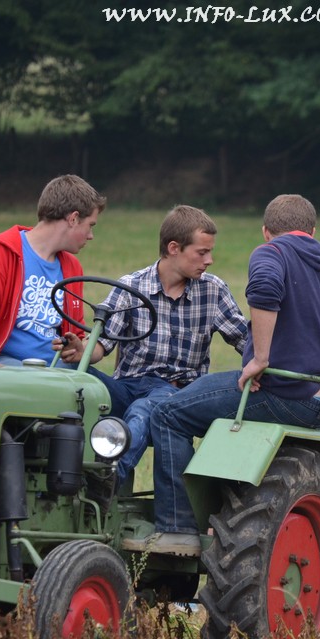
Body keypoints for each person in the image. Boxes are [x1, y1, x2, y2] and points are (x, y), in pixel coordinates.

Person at [130, 194, 320, 557]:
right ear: (313, 231)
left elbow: (264, 290)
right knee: (196, 395)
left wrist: (260, 358)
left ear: (266, 232)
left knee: (168, 414)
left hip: (282, 393)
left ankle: (177, 529)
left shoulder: (271, 254)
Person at [59, 205, 248, 485]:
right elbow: (101, 345)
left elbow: (245, 339)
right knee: (72, 382)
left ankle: (108, 476)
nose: (209, 260)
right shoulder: (131, 286)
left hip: (176, 393)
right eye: (202, 252)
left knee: (146, 409)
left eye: (210, 252)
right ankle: (59, 475)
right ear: (174, 248)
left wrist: (270, 357)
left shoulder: (213, 290)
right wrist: (80, 350)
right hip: (128, 386)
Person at [0, 174, 105, 364]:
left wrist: (74, 346)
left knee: (105, 390)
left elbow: (75, 333)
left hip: (57, 370)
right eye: (90, 225)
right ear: (73, 219)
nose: (91, 236)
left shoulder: (72, 267)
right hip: (7, 366)